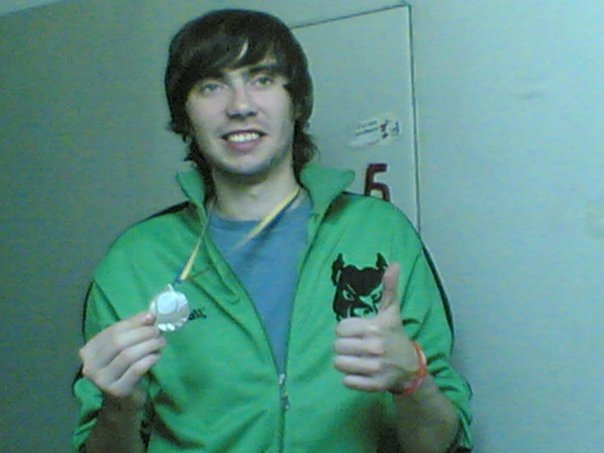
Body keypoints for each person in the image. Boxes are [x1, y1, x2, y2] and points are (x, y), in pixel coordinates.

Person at [73, 8, 472, 452]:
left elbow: (439, 444)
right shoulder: (136, 260)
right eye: (211, 86)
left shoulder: (379, 234)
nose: (240, 106)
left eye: (262, 79)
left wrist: (412, 380)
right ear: (185, 114)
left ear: (296, 102)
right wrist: (119, 406)